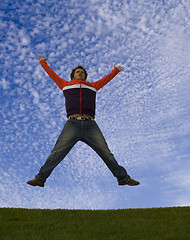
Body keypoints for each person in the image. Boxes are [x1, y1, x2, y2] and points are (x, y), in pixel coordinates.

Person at [27, 56, 139, 187]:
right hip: (72, 124)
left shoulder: (92, 86)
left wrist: (114, 71)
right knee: (57, 152)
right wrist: (43, 63)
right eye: (77, 72)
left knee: (106, 152)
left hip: (90, 125)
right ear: (72, 75)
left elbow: (105, 80)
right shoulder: (65, 85)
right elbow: (52, 75)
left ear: (85, 76)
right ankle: (40, 178)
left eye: (82, 72)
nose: (80, 73)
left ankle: (123, 178)